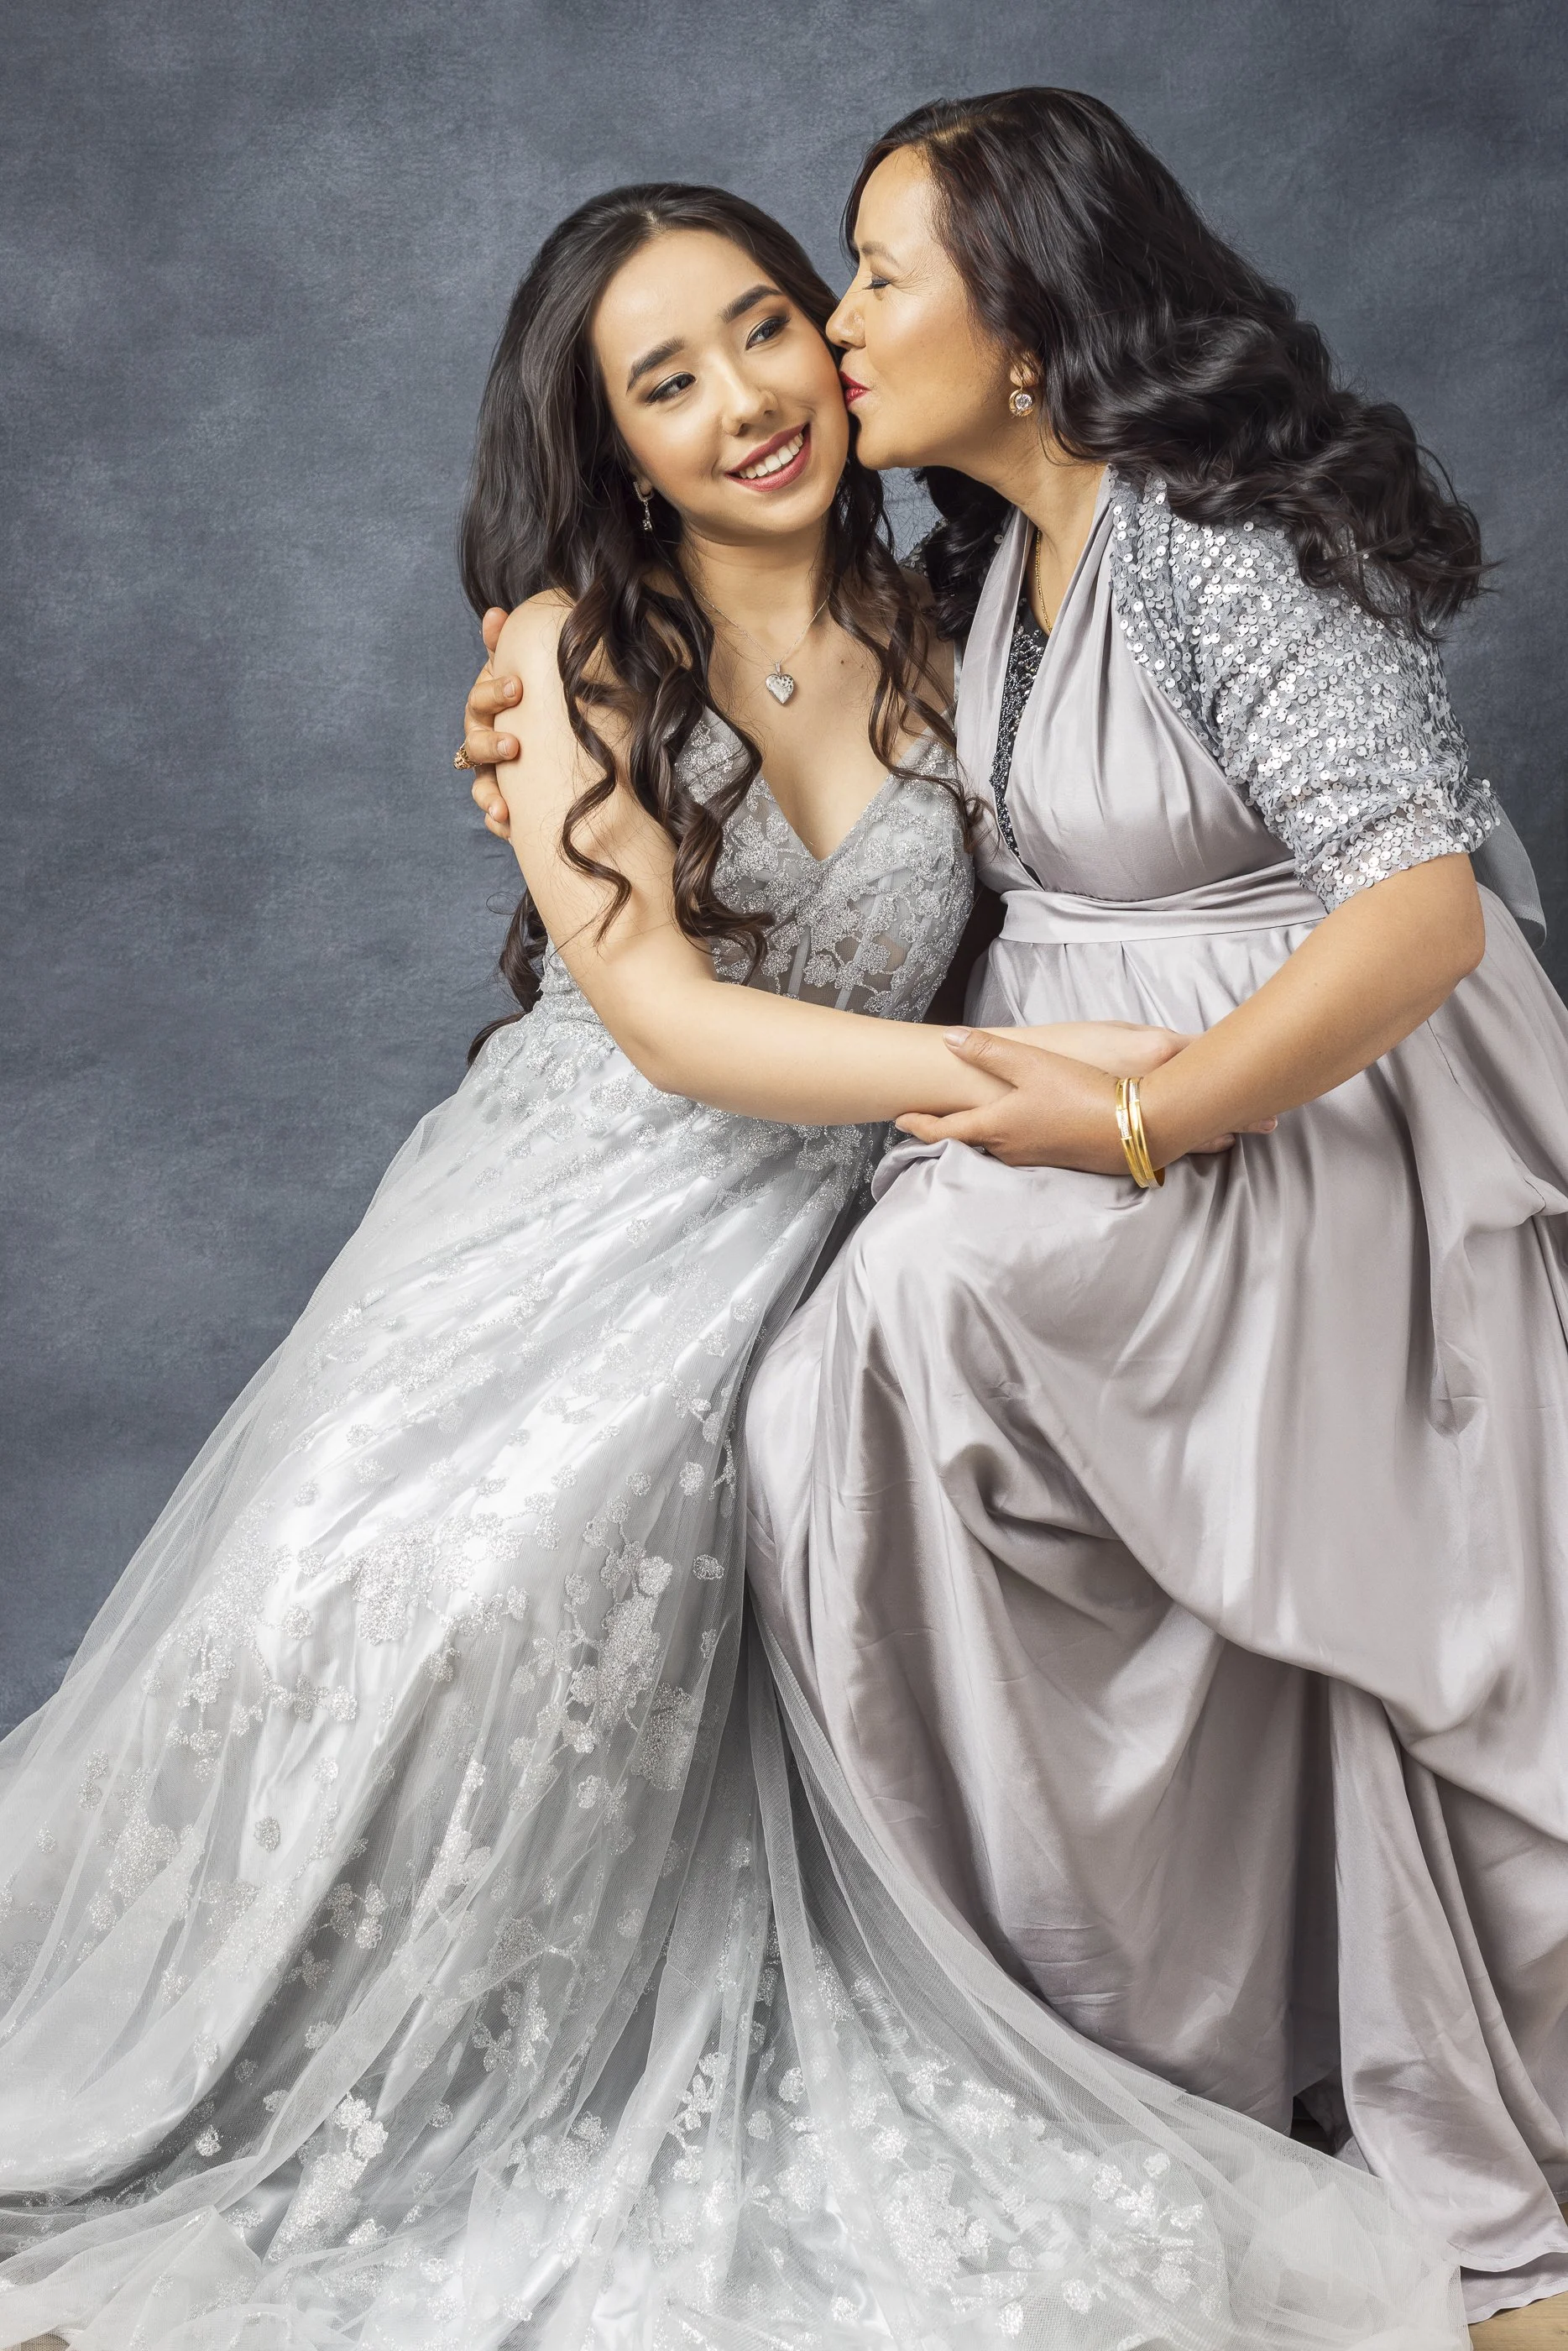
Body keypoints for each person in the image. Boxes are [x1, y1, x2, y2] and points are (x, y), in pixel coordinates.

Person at [0, 181, 1460, 2350]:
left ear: (834, 343)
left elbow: (1133, 871)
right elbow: (670, 1026)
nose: (744, 400)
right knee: (405, 1604)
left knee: (704, 1582)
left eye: (767, 328)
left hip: (814, 1224)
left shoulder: (971, 638)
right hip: (553, 1213)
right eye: (662, 382)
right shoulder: (562, 659)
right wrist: (1002, 1063)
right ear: (605, 447)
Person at [463, 91, 1568, 2331]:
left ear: (1034, 325)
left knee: (876, 1368)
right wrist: (550, 672)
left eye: (865, 285)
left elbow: (1418, 918)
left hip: (1282, 1139)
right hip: (1096, 1134)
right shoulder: (996, 578)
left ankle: (1104, 2022)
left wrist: (1150, 1116)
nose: (832, 341)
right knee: (831, 1418)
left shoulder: (1206, 542)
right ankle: (1066, 2022)